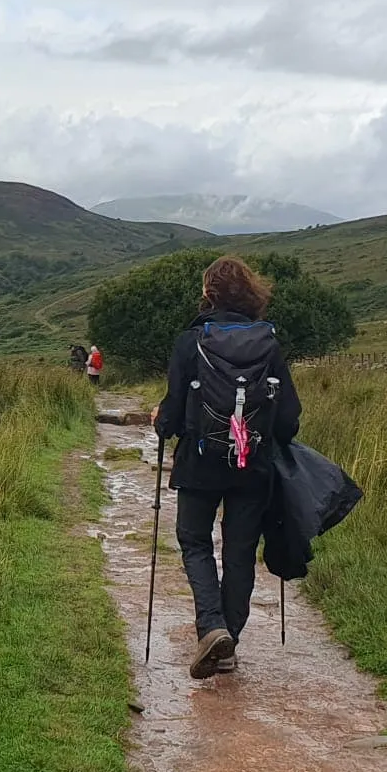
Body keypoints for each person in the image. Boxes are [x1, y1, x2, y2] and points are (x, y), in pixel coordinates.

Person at [150, 256, 301, 678]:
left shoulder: (190, 342)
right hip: (252, 468)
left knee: (194, 542)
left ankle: (212, 627)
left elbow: (172, 418)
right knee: (239, 552)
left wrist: (160, 422)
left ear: (209, 293)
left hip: (199, 465)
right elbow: (289, 417)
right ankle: (227, 640)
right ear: (252, 293)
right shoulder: (269, 344)